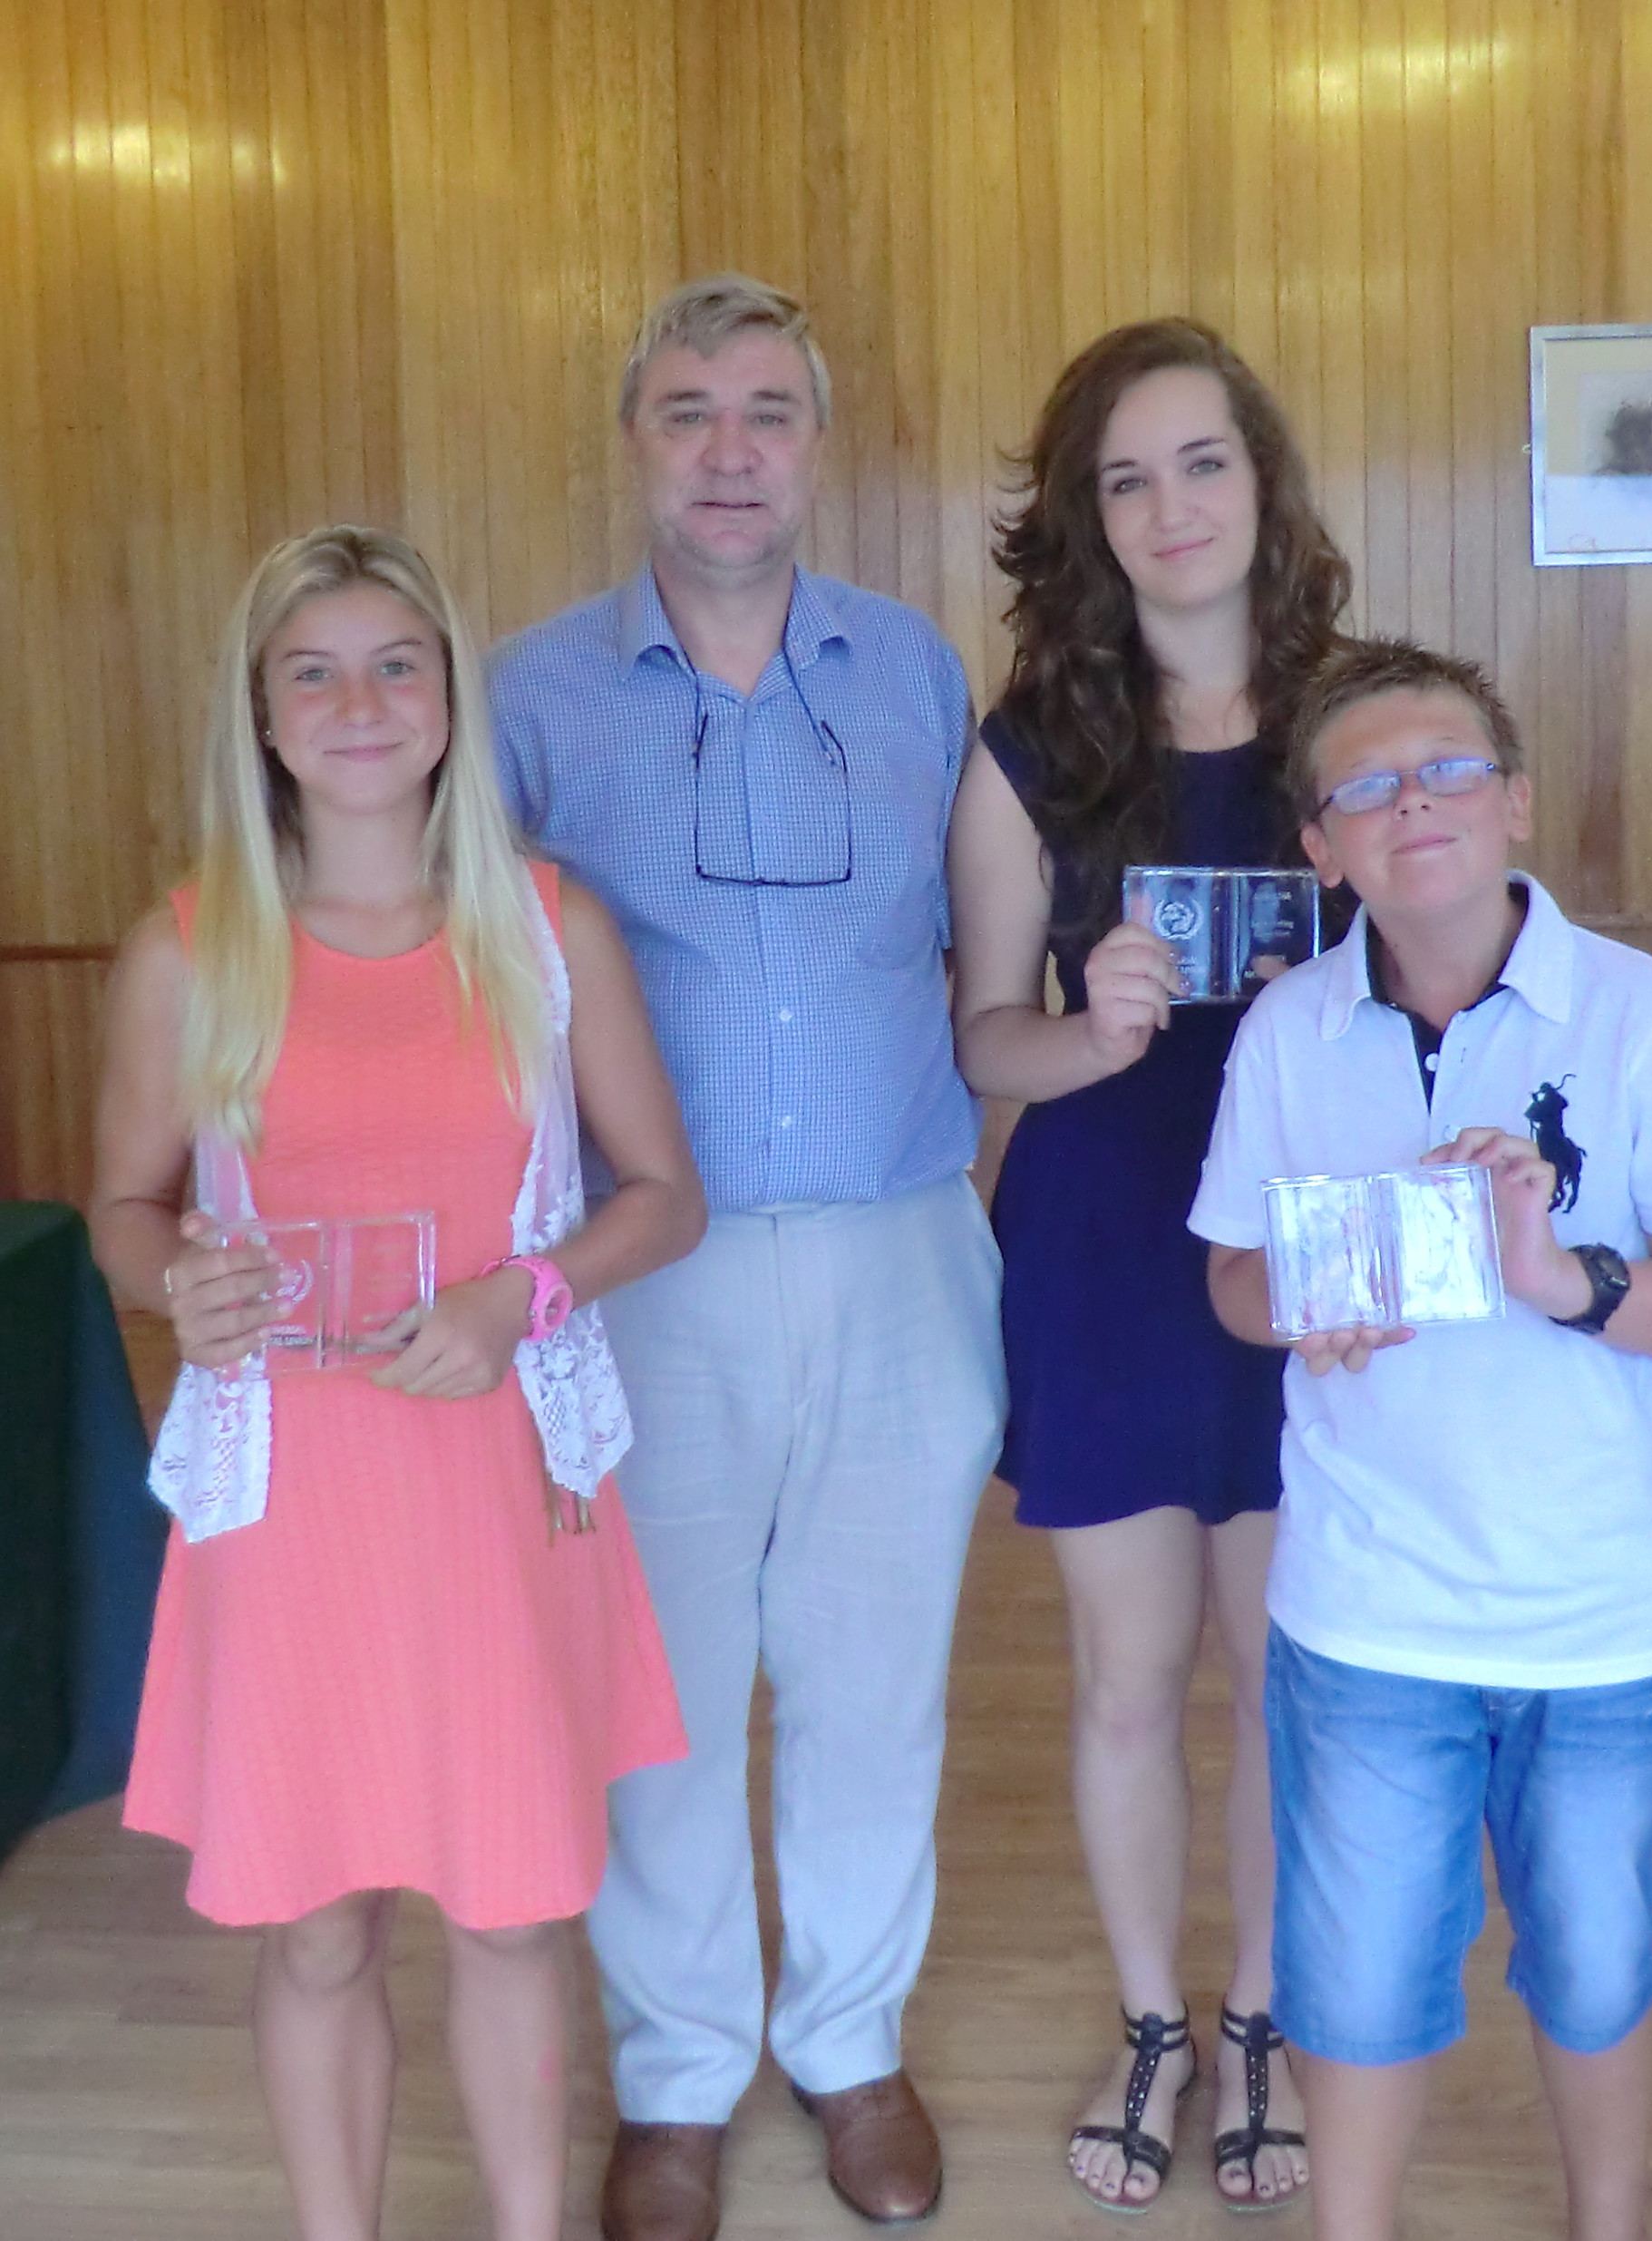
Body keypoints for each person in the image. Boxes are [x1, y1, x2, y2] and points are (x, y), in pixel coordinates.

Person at [91, 524, 705, 2241]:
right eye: (314, 672)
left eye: (395, 666)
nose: (358, 703)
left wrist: (523, 1297)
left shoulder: (548, 928)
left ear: (448, 700)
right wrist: (178, 1280)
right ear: (261, 714)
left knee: (509, 1910)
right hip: (290, 1501)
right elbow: (123, 1210)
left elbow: (666, 1197)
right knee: (317, 1925)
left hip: (497, 1479)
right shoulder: (190, 948)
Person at [489, 275, 1006, 2241]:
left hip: (898, 1246)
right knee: (664, 1695)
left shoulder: (916, 673)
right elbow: (468, 990)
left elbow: (985, 962)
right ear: (634, 442)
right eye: (689, 412)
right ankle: (677, 2078)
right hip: (645, 1266)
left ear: (816, 446)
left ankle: (851, 2045)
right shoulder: (528, 695)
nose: (729, 452)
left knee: (876, 1686)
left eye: (768, 413)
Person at [1191, 637, 1652, 2241]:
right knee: (1357, 1978)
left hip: (1601, 1617)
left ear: (1513, 801)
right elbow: (1232, 1281)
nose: (1413, 804)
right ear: (1319, 847)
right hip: (1367, 1611)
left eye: (1448, 770)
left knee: (1588, 1962)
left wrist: (1561, 1278)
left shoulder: (1637, 1016)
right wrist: (1297, 1303)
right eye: (1365, 788)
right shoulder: (1288, 1031)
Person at [947, 317, 1348, 2214]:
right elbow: (983, 1045)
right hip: (1104, 1241)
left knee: (1277, 1673)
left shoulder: (1358, 725)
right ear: (1085, 518)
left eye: (1202, 462)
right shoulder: (1031, 750)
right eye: (1125, 477)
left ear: (1261, 485)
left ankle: (1258, 2019)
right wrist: (1085, 1027)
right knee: (1127, 1678)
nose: (1170, 506)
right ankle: (1149, 2025)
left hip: (1302, 1260)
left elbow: (1461, 985)